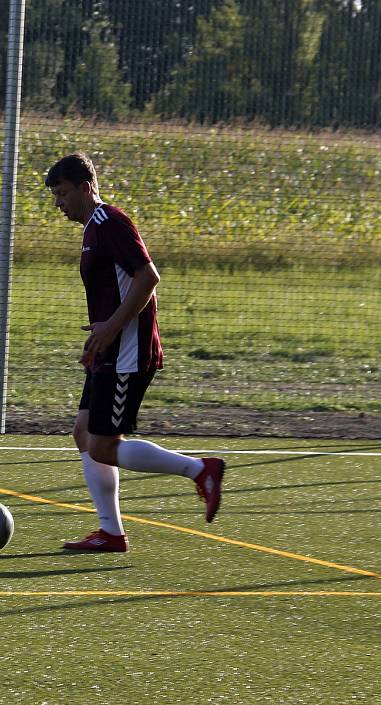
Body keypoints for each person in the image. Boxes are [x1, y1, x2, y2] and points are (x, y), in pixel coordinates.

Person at [45, 152, 225, 553]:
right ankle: (110, 532)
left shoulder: (110, 222)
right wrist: (100, 331)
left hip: (128, 351)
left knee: (103, 445)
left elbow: (149, 277)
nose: (58, 203)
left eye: (62, 194)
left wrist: (111, 328)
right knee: (83, 434)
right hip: (109, 348)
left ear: (85, 188)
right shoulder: (92, 228)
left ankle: (200, 470)